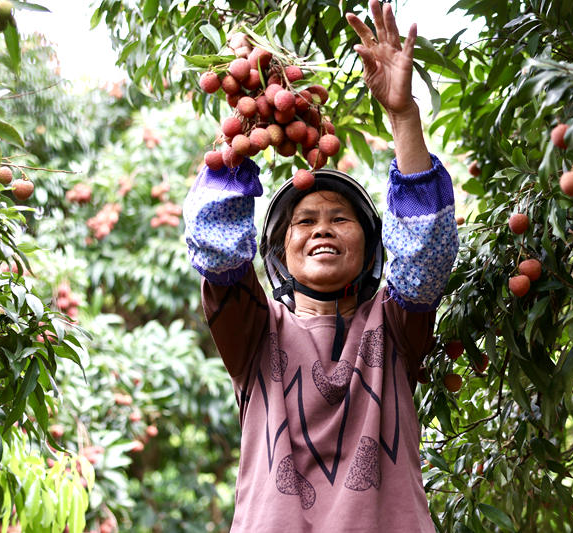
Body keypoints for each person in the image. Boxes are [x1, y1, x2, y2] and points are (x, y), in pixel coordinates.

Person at [183, 1, 459, 530]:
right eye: (304, 222)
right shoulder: (254, 331)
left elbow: (425, 254)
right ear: (281, 250)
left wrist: (404, 117)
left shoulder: (395, 325)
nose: (322, 228)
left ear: (371, 244)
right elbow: (216, 245)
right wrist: (245, 115)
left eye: (340, 219)